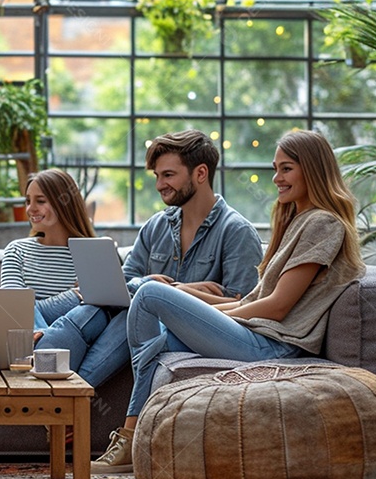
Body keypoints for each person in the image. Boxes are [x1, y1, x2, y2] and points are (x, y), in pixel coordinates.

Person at [94, 129, 367, 473]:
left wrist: (200, 305)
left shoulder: (323, 224)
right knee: (158, 332)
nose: (276, 178)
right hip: (257, 334)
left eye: (286, 169)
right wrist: (201, 307)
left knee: (149, 293)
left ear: (312, 169)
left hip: (272, 345)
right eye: (275, 168)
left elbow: (278, 306)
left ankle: (131, 434)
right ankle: (139, 438)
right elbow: (255, 298)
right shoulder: (297, 220)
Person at [35, 128, 262, 400]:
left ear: (200, 174)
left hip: (185, 333)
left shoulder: (237, 232)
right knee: (104, 309)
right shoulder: (156, 226)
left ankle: (54, 396)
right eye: (157, 176)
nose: (159, 185)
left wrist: (168, 290)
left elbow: (243, 304)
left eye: (168, 175)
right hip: (136, 319)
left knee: (127, 312)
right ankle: (64, 398)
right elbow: (126, 285)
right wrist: (149, 286)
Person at [0, 169, 96, 329]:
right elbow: (14, 311)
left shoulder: (92, 254)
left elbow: (94, 318)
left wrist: (34, 307)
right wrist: (70, 298)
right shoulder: (17, 251)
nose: (31, 209)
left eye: (41, 201)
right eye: (28, 201)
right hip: (28, 344)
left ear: (65, 204)